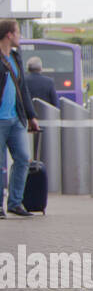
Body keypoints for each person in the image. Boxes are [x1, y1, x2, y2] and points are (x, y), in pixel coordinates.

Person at [0, 20, 38, 217]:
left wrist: (31, 116)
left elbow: (22, 88)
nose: (20, 36)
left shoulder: (16, 56)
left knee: (23, 158)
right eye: (18, 32)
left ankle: (15, 202)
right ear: (9, 35)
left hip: (16, 118)